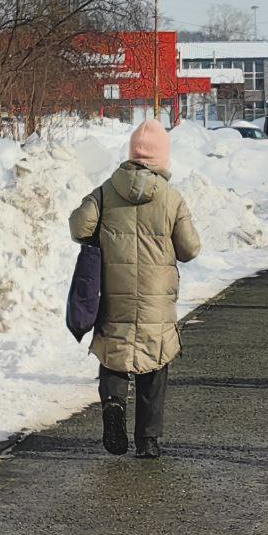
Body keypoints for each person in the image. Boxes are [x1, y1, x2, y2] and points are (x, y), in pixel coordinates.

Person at [69, 120, 201, 460]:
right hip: (157, 299)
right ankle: (148, 440)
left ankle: (113, 404)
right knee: (155, 362)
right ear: (163, 159)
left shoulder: (106, 190)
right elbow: (190, 249)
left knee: (114, 354)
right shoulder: (172, 198)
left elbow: (78, 226)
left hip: (115, 293)